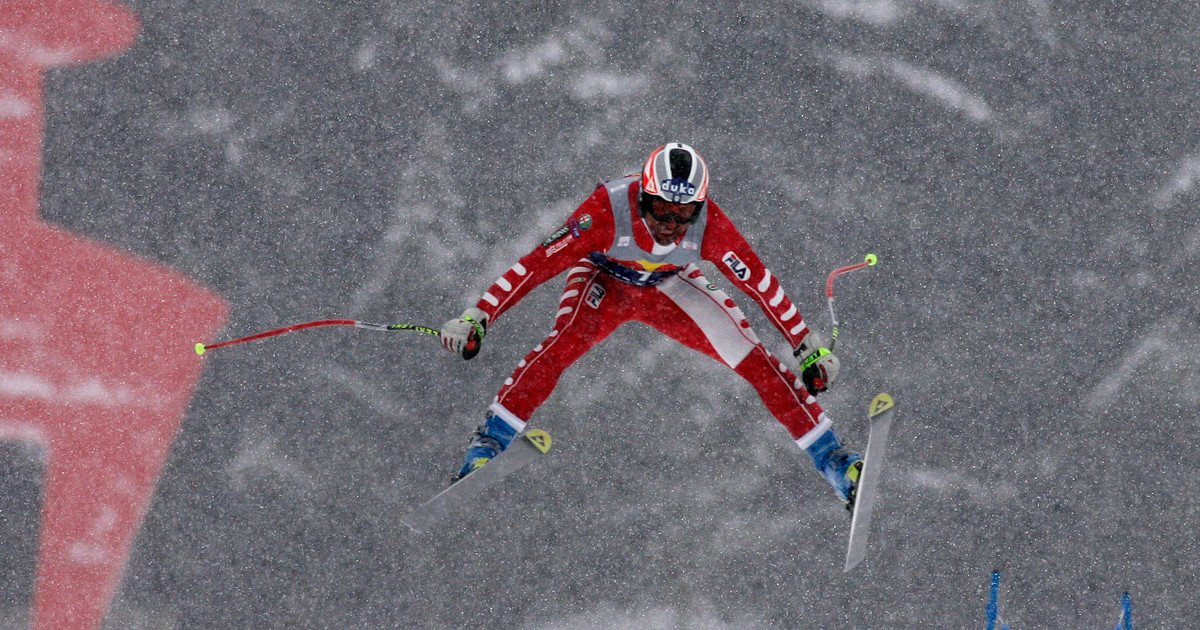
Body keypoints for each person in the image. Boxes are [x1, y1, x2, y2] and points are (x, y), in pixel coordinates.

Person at [439, 143, 862, 506]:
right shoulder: (606, 209)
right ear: (643, 196)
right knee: (560, 348)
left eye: (684, 215)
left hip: (669, 287)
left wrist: (806, 345)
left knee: (757, 363)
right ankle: (487, 446)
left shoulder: (711, 226)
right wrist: (479, 316)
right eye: (661, 209)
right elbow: (537, 265)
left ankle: (837, 465)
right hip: (604, 278)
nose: (670, 225)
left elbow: (759, 283)